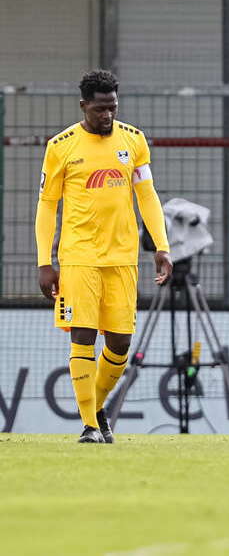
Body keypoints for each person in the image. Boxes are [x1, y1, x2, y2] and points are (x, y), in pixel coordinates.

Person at [35, 69, 173, 444]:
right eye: (99, 109)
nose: (107, 115)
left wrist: (162, 245)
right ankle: (90, 426)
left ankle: (94, 407)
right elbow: (47, 205)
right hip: (78, 255)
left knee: (120, 343)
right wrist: (44, 262)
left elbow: (147, 195)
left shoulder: (134, 140)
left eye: (112, 107)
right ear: (84, 106)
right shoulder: (61, 145)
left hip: (123, 257)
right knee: (83, 334)